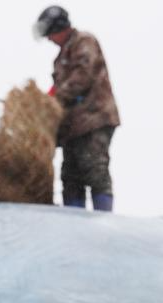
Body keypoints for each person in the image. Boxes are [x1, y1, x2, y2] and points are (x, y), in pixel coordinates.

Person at [34, 6, 121, 212]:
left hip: (94, 119)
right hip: (73, 127)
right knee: (71, 177)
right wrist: (43, 102)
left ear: (59, 27)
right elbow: (58, 87)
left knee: (94, 169)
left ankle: (104, 223)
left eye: (50, 34)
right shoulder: (60, 58)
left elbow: (82, 77)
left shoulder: (84, 42)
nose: (48, 39)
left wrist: (53, 100)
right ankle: (74, 227)